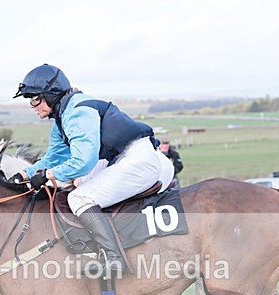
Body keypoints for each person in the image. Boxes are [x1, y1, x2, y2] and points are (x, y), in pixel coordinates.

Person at [11, 64, 174, 273]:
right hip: (130, 158)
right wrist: (25, 174)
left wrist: (48, 175)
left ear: (51, 95)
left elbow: (83, 162)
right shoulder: (63, 118)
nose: (33, 106)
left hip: (140, 160)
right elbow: (52, 159)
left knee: (79, 198)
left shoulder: (78, 111)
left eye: (35, 99)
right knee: (80, 185)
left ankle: (115, 260)